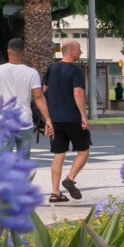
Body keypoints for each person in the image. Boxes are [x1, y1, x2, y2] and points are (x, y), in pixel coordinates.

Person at [37, 39, 91, 201]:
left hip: (55, 120)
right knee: (84, 150)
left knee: (58, 154)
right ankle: (70, 179)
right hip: (73, 118)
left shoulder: (52, 68)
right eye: (79, 49)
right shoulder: (76, 70)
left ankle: (55, 193)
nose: (81, 52)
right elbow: (78, 93)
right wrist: (83, 115)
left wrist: (47, 118)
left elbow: (43, 92)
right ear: (71, 51)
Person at [0, 38, 41, 162]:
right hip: (25, 121)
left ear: (8, 52)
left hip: (4, 121)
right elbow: (38, 96)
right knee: (24, 159)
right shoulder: (32, 73)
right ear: (25, 52)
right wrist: (48, 119)